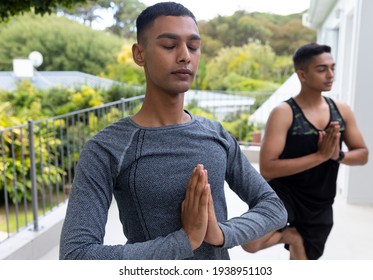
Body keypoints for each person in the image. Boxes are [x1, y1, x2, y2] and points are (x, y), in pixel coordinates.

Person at [59, 2, 287, 260]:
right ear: (139, 54)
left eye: (193, 46)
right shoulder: (107, 148)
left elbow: (274, 208)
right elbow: (75, 256)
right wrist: (185, 240)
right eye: (169, 45)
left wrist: (220, 234)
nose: (185, 56)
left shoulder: (217, 135)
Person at [241, 43, 369, 260]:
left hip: (320, 202)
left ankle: (295, 237)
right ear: (302, 74)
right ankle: (289, 235)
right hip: (284, 195)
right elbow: (268, 168)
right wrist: (319, 156)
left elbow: (363, 154)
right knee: (250, 241)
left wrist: (337, 155)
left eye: (332, 68)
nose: (330, 75)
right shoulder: (284, 113)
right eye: (321, 69)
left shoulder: (341, 110)